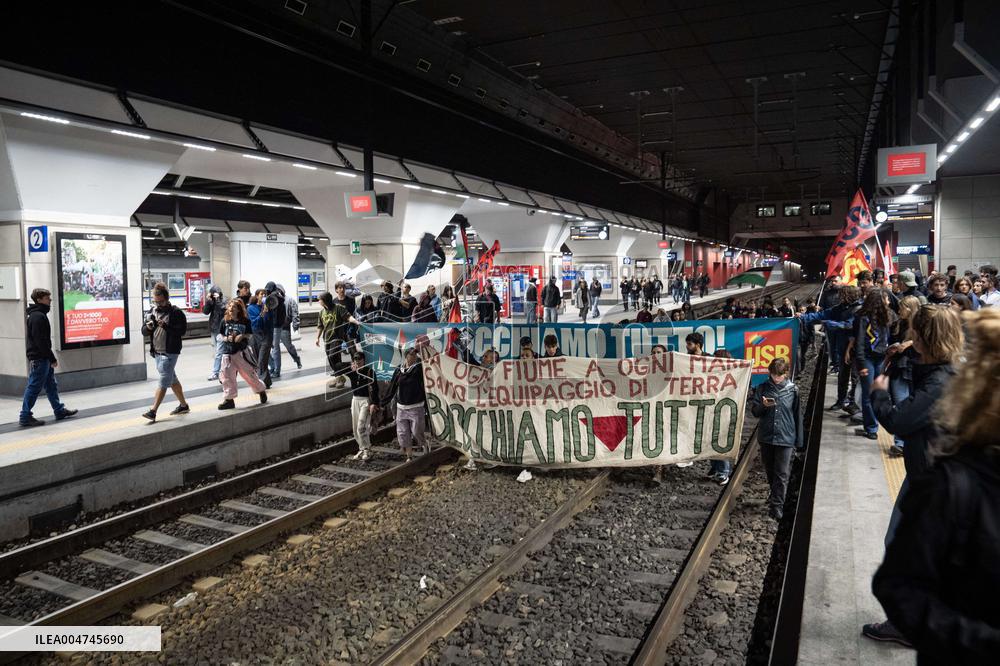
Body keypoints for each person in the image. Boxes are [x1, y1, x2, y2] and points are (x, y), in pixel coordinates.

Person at [871, 308, 1000, 663]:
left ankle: (900, 630)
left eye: (914, 332)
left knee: (903, 543)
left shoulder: (952, 484)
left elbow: (897, 587)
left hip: (925, 475)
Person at [863, 305, 966, 650]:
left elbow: (899, 422)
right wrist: (905, 353)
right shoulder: (946, 367)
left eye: (914, 333)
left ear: (926, 337)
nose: (910, 336)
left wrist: (878, 391)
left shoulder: (940, 382)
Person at [750, 357, 803, 520]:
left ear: (786, 373)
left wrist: (799, 442)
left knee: (781, 473)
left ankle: (777, 506)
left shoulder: (793, 390)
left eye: (779, 375)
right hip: (766, 437)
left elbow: (797, 415)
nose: (776, 378)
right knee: (771, 470)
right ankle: (775, 496)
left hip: (785, 437)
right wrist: (763, 406)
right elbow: (755, 412)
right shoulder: (761, 388)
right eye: (773, 375)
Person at [19, 288, 76, 427]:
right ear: (39, 300)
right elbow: (41, 341)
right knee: (34, 386)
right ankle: (25, 416)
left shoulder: (38, 315)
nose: (50, 300)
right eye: (47, 298)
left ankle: (59, 410)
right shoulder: (38, 316)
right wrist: (52, 358)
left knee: (51, 385)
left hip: (42, 357)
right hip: (40, 358)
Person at [142, 282, 190, 422]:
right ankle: (183, 405)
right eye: (156, 302)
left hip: (170, 352)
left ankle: (153, 411)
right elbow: (143, 331)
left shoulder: (176, 313)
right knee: (172, 379)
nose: (159, 304)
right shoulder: (152, 312)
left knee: (163, 380)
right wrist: (149, 327)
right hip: (157, 351)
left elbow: (182, 331)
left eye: (161, 301)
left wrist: (166, 326)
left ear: (167, 298)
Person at [854, 288, 895, 440]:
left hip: (881, 358)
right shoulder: (863, 318)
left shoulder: (888, 315)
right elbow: (859, 342)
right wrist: (861, 364)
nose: (889, 301)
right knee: (868, 393)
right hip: (867, 358)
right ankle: (871, 427)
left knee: (879, 391)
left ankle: (878, 421)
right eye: (887, 299)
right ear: (879, 301)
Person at [216, 298, 267, 409]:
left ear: (238, 310)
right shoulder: (224, 321)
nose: (230, 309)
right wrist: (225, 338)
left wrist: (242, 336)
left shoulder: (245, 321)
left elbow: (250, 334)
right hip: (227, 353)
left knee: (249, 374)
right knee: (226, 377)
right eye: (229, 307)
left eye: (233, 307)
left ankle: (261, 390)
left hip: (241, 353)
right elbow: (219, 335)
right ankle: (229, 400)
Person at [380, 347, 427, 461]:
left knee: (416, 432)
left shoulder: (419, 368)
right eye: (411, 355)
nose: (414, 357)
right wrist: (383, 403)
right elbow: (392, 388)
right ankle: (409, 456)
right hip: (401, 407)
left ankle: (425, 444)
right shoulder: (398, 370)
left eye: (415, 355)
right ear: (406, 356)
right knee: (403, 433)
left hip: (416, 406)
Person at [316, 291, 361, 389]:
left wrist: (356, 322)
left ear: (325, 300)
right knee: (333, 360)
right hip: (326, 339)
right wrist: (317, 338)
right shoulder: (321, 312)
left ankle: (351, 366)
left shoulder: (338, 308)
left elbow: (348, 317)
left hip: (337, 338)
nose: (319, 301)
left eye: (320, 300)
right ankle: (339, 378)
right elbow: (320, 326)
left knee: (333, 356)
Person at [345, 351, 379, 461]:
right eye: (355, 360)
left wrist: (374, 403)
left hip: (365, 401)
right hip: (355, 400)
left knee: (361, 426)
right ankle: (362, 447)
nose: (357, 362)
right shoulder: (352, 372)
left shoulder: (369, 371)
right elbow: (337, 367)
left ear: (364, 360)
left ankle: (367, 449)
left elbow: (374, 389)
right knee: (355, 428)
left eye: (359, 360)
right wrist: (349, 367)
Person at [708, 349, 735, 485]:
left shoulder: (731, 374)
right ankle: (715, 467)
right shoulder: (714, 374)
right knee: (712, 440)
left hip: (724, 412)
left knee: (721, 441)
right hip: (713, 411)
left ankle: (723, 471)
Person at [269, 288, 302, 379]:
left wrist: (296, 324)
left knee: (289, 346)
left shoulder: (289, 300)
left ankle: (297, 359)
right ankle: (275, 367)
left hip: (284, 327)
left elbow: (295, 312)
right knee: (274, 348)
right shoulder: (272, 299)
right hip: (274, 327)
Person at [248, 289, 274, 389]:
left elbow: (270, 323)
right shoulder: (251, 308)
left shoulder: (268, 307)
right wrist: (262, 313)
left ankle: (260, 383)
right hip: (255, 336)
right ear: (256, 296)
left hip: (266, 336)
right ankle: (267, 382)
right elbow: (254, 323)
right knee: (258, 359)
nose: (263, 296)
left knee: (262, 360)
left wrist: (267, 311)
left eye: (265, 294)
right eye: (261, 294)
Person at [202, 284, 227, 381]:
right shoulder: (211, 301)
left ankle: (216, 372)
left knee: (219, 352)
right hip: (214, 328)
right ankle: (221, 370)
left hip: (222, 329)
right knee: (218, 351)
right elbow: (205, 312)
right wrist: (208, 302)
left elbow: (224, 309)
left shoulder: (224, 300)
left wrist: (218, 300)